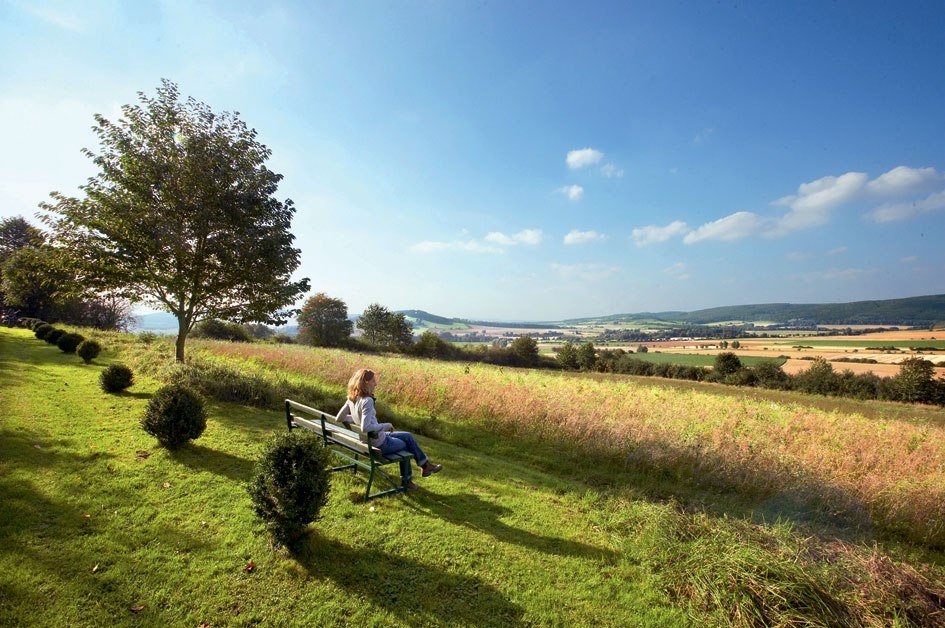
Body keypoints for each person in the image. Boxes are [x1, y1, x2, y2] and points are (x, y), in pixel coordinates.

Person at [336, 368, 441, 489]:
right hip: (379, 443)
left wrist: (356, 419)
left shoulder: (352, 397)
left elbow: (339, 418)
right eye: (373, 381)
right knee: (407, 446)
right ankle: (408, 481)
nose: (375, 384)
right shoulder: (367, 401)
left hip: (369, 440)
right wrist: (386, 426)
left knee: (408, 436)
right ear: (365, 382)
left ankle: (426, 466)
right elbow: (365, 428)